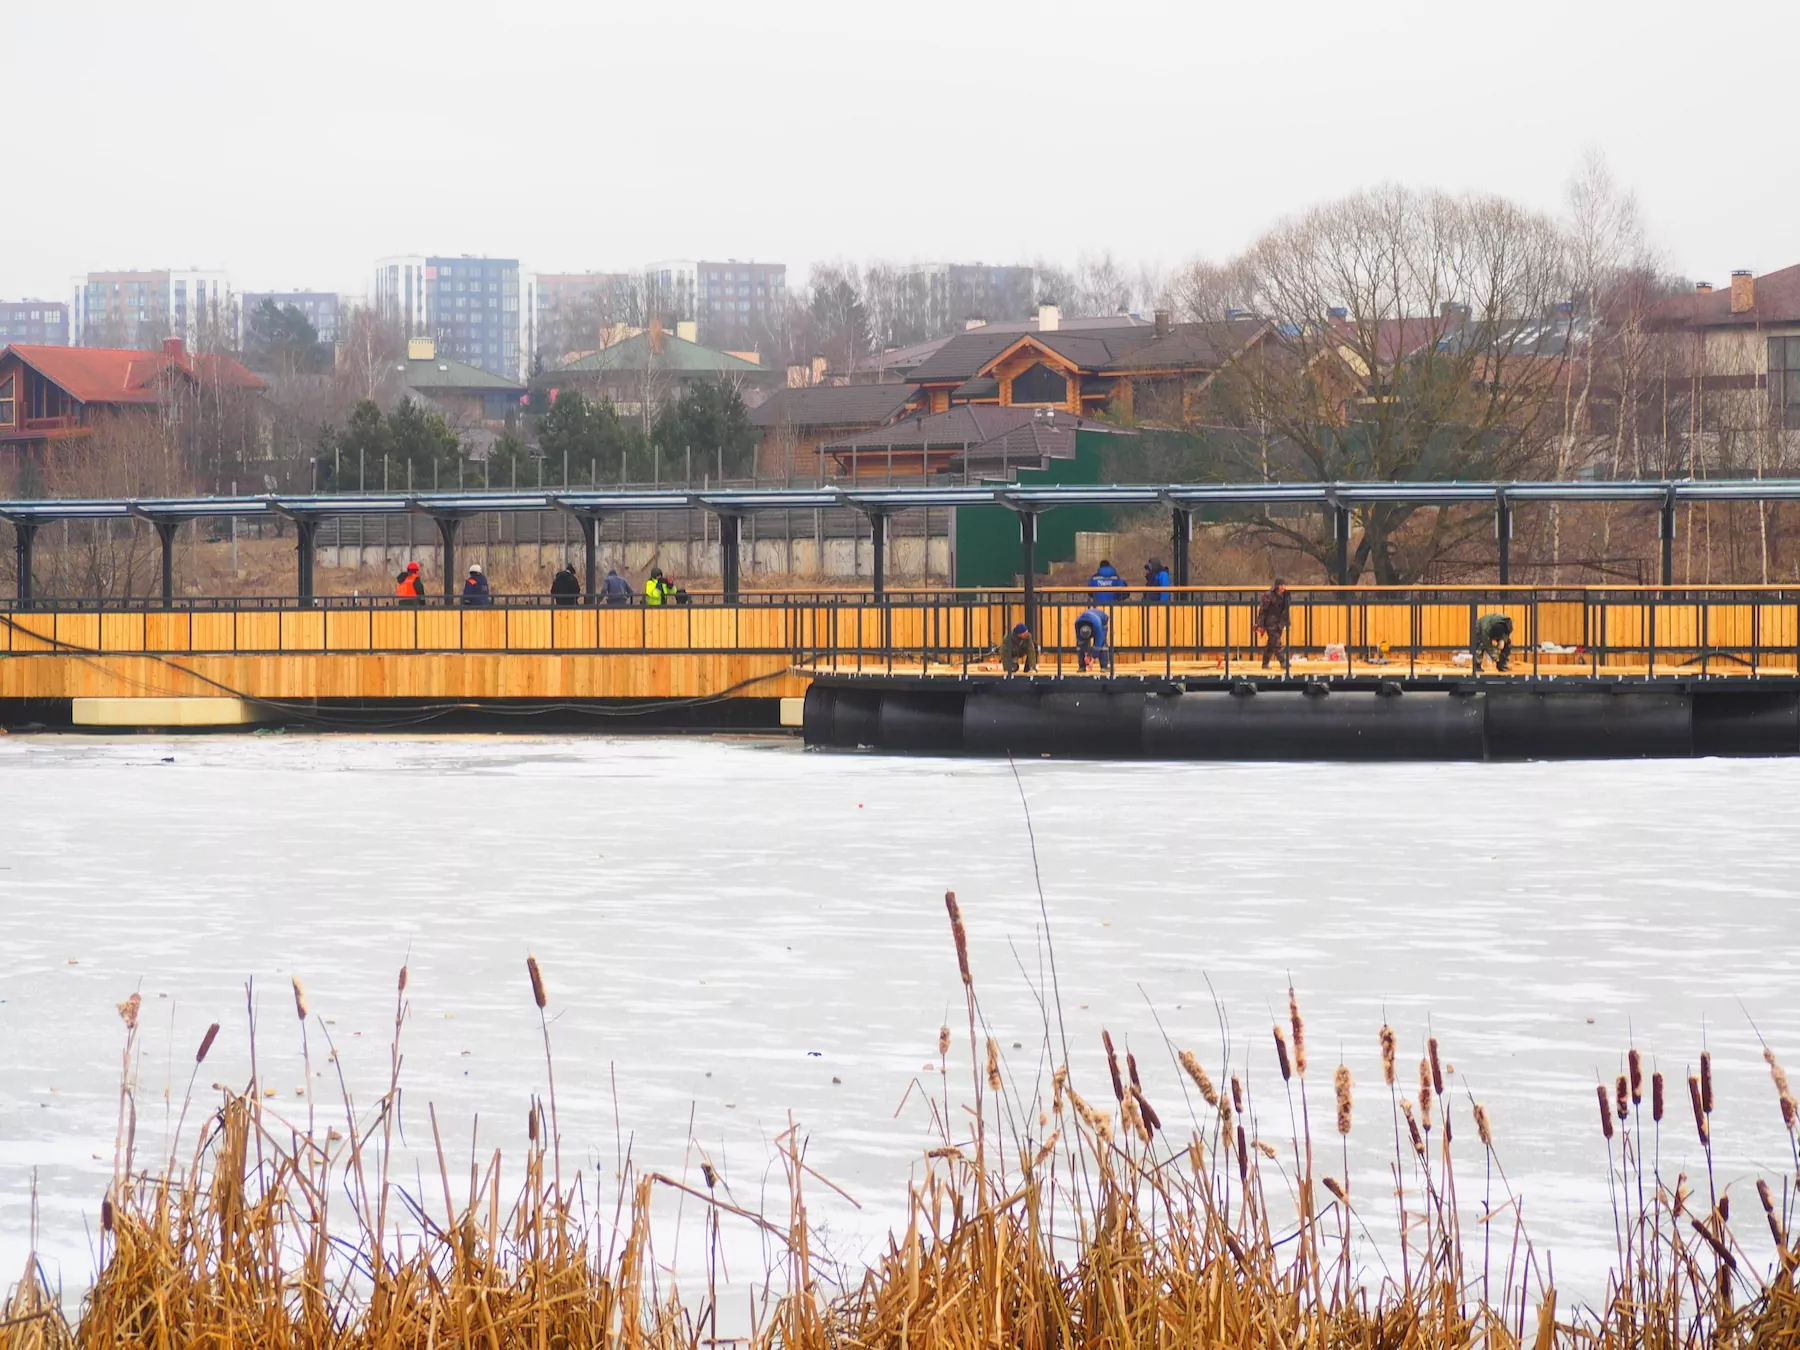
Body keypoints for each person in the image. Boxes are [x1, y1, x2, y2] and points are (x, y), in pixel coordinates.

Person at [1256, 578, 1290, 671]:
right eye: (1281, 585)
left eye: (1284, 585)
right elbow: (1263, 611)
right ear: (1277, 586)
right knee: (1276, 641)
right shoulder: (1269, 595)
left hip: (1280, 622)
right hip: (1270, 621)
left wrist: (1287, 622)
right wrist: (1260, 624)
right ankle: (1283, 661)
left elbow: (1286, 610)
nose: (1283, 587)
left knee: (1271, 644)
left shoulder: (1286, 595)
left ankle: (1265, 663)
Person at [1074, 607, 1112, 673]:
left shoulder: (1097, 625)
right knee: (1080, 646)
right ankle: (1082, 666)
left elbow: (1098, 643)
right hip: (1092, 620)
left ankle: (1104, 666)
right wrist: (1086, 655)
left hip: (1102, 621)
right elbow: (1080, 640)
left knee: (1102, 644)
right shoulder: (1077, 624)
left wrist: (1093, 660)